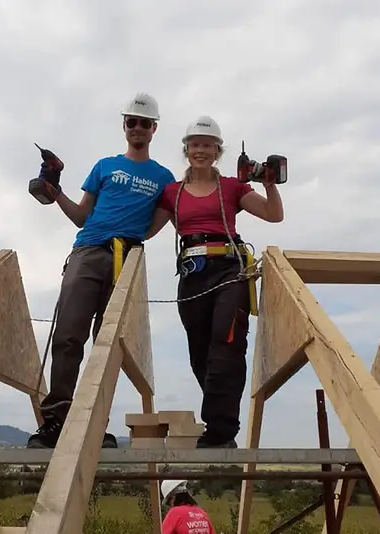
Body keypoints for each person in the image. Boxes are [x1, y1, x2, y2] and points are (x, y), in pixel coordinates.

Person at [26, 93, 178, 449]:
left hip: (126, 257)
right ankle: (57, 420)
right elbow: (82, 216)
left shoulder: (164, 177)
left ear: (154, 129)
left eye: (144, 123)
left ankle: (93, 423)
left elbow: (157, 223)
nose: (137, 128)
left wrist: (130, 240)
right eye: (131, 122)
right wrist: (56, 193)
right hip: (88, 250)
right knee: (68, 335)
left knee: (108, 345)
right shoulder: (104, 166)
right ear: (125, 126)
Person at [145, 116, 284, 448]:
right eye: (195, 145)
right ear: (187, 149)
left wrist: (268, 183)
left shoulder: (232, 188)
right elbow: (147, 231)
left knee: (227, 344)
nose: (201, 150)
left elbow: (273, 215)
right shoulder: (171, 193)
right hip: (192, 273)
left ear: (217, 151)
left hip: (229, 268)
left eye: (207, 145)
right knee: (201, 354)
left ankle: (221, 431)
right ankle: (221, 418)